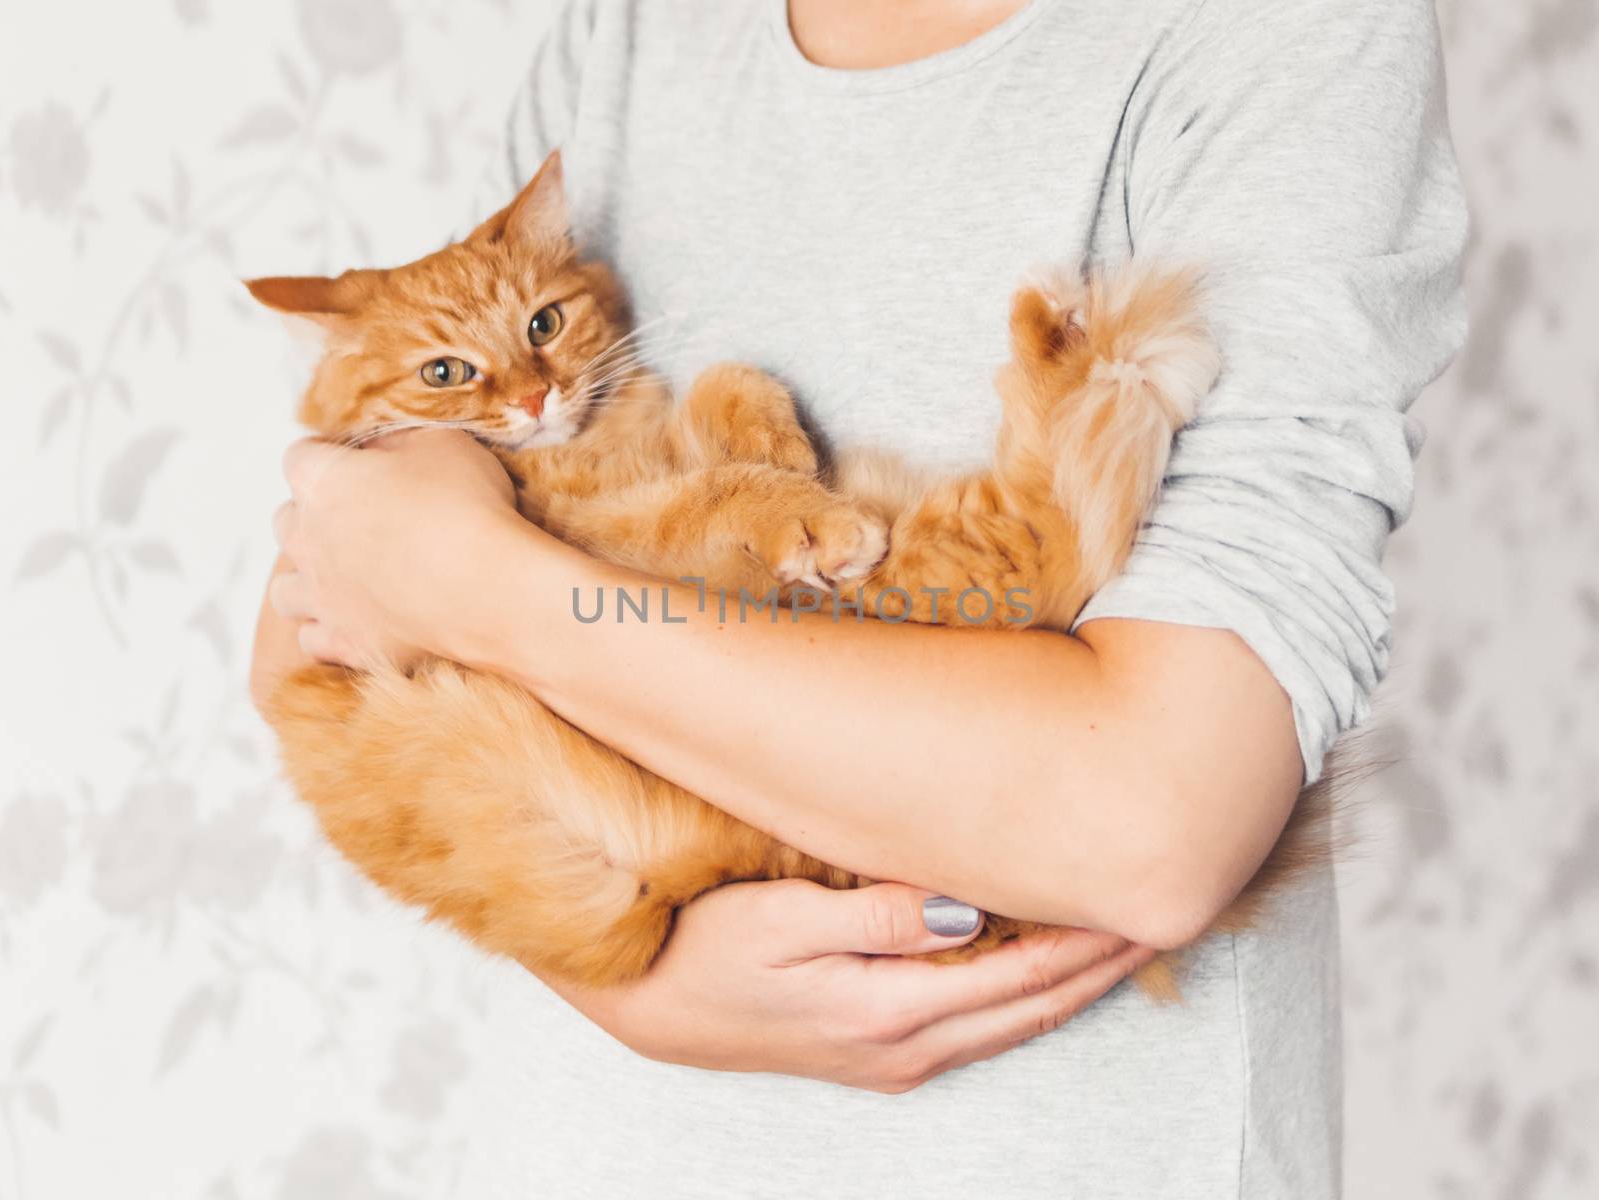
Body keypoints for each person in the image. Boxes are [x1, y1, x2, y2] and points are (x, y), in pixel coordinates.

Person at [250, 0, 1467, 1194]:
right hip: (597, 1145)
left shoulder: (1285, 29)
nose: (521, 388)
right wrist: (630, 981)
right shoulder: (623, 30)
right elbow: (315, 632)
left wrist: (485, 591)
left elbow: (1152, 824)